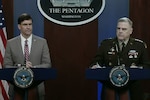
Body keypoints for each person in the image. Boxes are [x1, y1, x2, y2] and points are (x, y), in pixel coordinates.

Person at [90, 17, 150, 100]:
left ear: (130, 31)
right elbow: (95, 62)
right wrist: (95, 66)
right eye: (118, 28)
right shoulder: (106, 44)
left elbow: (147, 65)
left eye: (124, 29)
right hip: (109, 86)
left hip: (132, 88)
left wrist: (138, 68)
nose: (120, 31)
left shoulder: (139, 45)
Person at [3, 13, 52, 100]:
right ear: (19, 26)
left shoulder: (42, 42)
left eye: (30, 24)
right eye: (25, 24)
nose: (28, 27)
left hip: (36, 89)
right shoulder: (11, 43)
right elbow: (6, 65)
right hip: (16, 89)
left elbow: (47, 64)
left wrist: (33, 68)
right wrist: (21, 68)